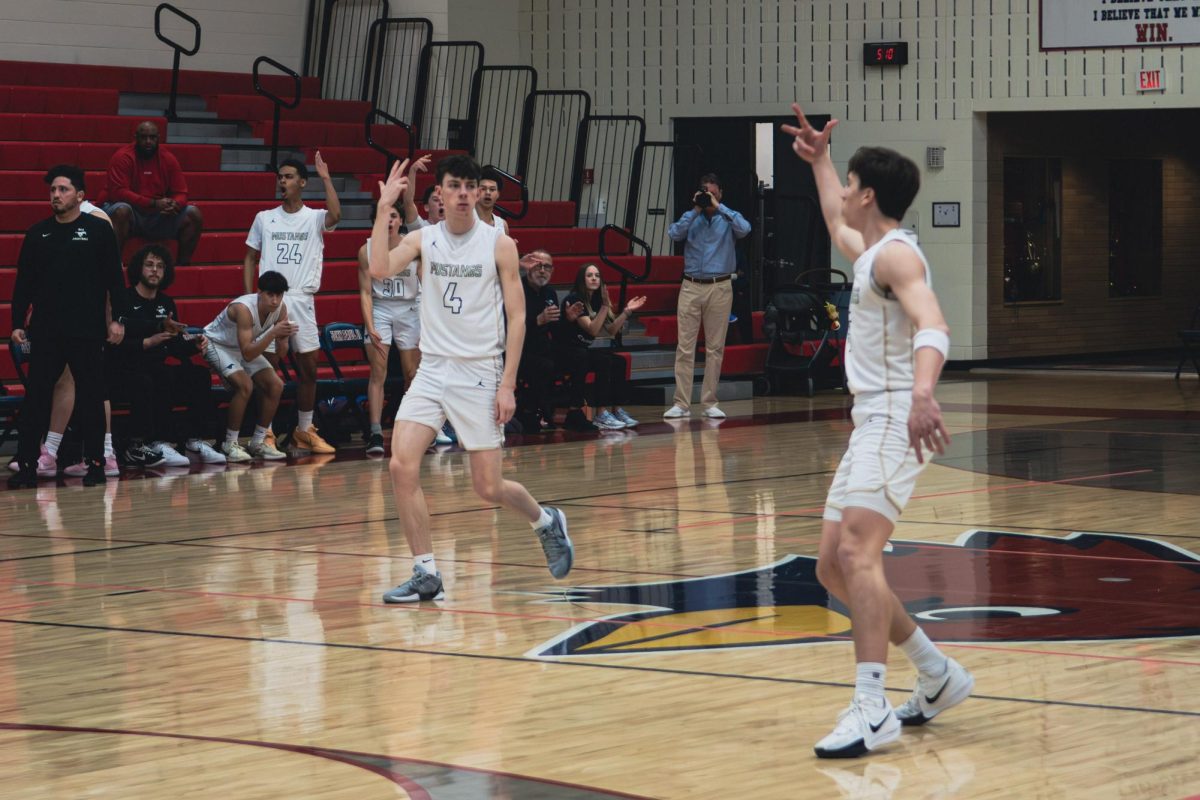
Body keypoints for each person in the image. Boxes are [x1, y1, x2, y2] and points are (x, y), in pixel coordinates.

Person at [782, 102, 973, 758]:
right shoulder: (870, 251)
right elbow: (837, 220)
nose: (841, 193)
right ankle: (937, 672)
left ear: (869, 193)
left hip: (896, 414)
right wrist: (821, 159)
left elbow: (935, 324)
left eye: (848, 180)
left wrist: (923, 392)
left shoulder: (896, 259)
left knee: (859, 556)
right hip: (871, 418)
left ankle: (871, 707)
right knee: (833, 566)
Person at [368, 154, 573, 603]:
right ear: (439, 193)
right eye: (453, 186)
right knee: (402, 465)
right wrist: (386, 208)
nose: (462, 194)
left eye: (469, 186)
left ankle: (546, 521)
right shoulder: (423, 238)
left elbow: (518, 318)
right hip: (433, 368)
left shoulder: (499, 243)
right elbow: (379, 269)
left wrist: (507, 383)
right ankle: (426, 572)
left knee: (488, 487)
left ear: (479, 193)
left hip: (480, 369)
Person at [9, 165, 128, 488]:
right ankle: (29, 465)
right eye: (52, 190)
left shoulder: (98, 230)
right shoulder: (37, 234)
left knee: (90, 397)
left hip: (86, 330)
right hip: (47, 330)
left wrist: (119, 320)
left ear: (80, 195)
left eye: (63, 190)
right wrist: (17, 323)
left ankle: (95, 464)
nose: (56, 195)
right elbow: (24, 285)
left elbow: (115, 281)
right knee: (36, 398)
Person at [243, 154, 342, 455]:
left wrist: (326, 178)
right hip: (271, 299)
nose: (281, 181)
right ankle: (266, 434)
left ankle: (303, 430)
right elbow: (249, 257)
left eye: (288, 176)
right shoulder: (264, 217)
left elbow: (336, 216)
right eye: (280, 176)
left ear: (302, 182)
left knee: (309, 368)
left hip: (302, 297)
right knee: (269, 371)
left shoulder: (313, 217)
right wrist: (252, 299)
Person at [107, 244, 226, 466]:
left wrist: (194, 345)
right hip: (125, 367)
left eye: (160, 266)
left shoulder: (166, 302)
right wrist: (147, 342)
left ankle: (193, 442)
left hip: (156, 366)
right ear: (138, 268)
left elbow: (174, 345)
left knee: (198, 375)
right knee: (157, 377)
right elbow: (113, 343)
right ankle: (147, 443)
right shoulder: (123, 298)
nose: (155, 270)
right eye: (149, 265)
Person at [664, 172, 750, 420]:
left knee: (715, 347)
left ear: (720, 194)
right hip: (691, 285)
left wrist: (719, 207)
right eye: (705, 192)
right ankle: (681, 403)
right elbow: (674, 234)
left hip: (719, 286)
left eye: (712, 192)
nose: (708, 196)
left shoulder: (727, 218)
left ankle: (710, 401)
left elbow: (744, 229)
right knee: (685, 347)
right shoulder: (691, 218)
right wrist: (695, 210)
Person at [202, 271, 295, 463]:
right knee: (245, 386)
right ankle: (230, 443)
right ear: (259, 292)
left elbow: (281, 353)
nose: (275, 300)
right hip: (216, 344)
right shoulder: (243, 309)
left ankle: (258, 442)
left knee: (276, 385)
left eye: (279, 295)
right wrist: (273, 333)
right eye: (271, 294)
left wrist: (283, 340)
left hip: (242, 347)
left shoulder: (281, 310)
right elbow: (248, 353)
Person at [357, 200, 421, 456]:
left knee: (412, 374)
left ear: (401, 221)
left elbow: (426, 283)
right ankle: (375, 432)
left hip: (409, 309)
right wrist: (370, 325)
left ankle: (408, 430)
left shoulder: (414, 248)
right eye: (385, 217)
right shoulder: (367, 250)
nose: (390, 221)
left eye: (394, 216)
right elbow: (365, 292)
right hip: (381, 308)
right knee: (378, 372)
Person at [556, 263, 645, 431]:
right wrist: (605, 306)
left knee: (618, 361)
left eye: (597, 275)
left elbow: (611, 330)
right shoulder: (574, 299)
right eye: (589, 275)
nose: (594, 278)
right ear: (582, 280)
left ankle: (616, 410)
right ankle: (601, 414)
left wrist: (627, 311)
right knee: (603, 361)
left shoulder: (598, 300)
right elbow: (592, 329)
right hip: (565, 353)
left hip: (581, 353)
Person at [104, 120, 204, 265]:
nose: (148, 141)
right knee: (121, 210)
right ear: (136, 137)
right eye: (144, 137)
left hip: (158, 215)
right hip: (133, 213)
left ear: (158, 138)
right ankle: (113, 267)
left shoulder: (168, 158)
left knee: (193, 213)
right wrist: (153, 203)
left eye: (152, 137)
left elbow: (181, 192)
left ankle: (183, 268)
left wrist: (175, 204)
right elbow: (118, 193)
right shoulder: (123, 157)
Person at [515, 249, 576, 432]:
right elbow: (507, 325)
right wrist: (537, 320)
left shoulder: (550, 293)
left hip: (542, 347)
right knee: (544, 366)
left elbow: (556, 331)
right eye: (538, 266)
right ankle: (530, 411)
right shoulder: (517, 288)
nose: (542, 270)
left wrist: (568, 319)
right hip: (519, 349)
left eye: (547, 267)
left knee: (578, 357)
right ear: (528, 268)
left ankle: (573, 413)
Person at [476, 168, 509, 234]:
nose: (488, 192)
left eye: (492, 189)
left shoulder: (502, 225)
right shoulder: (464, 222)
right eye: (483, 188)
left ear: (498, 194)